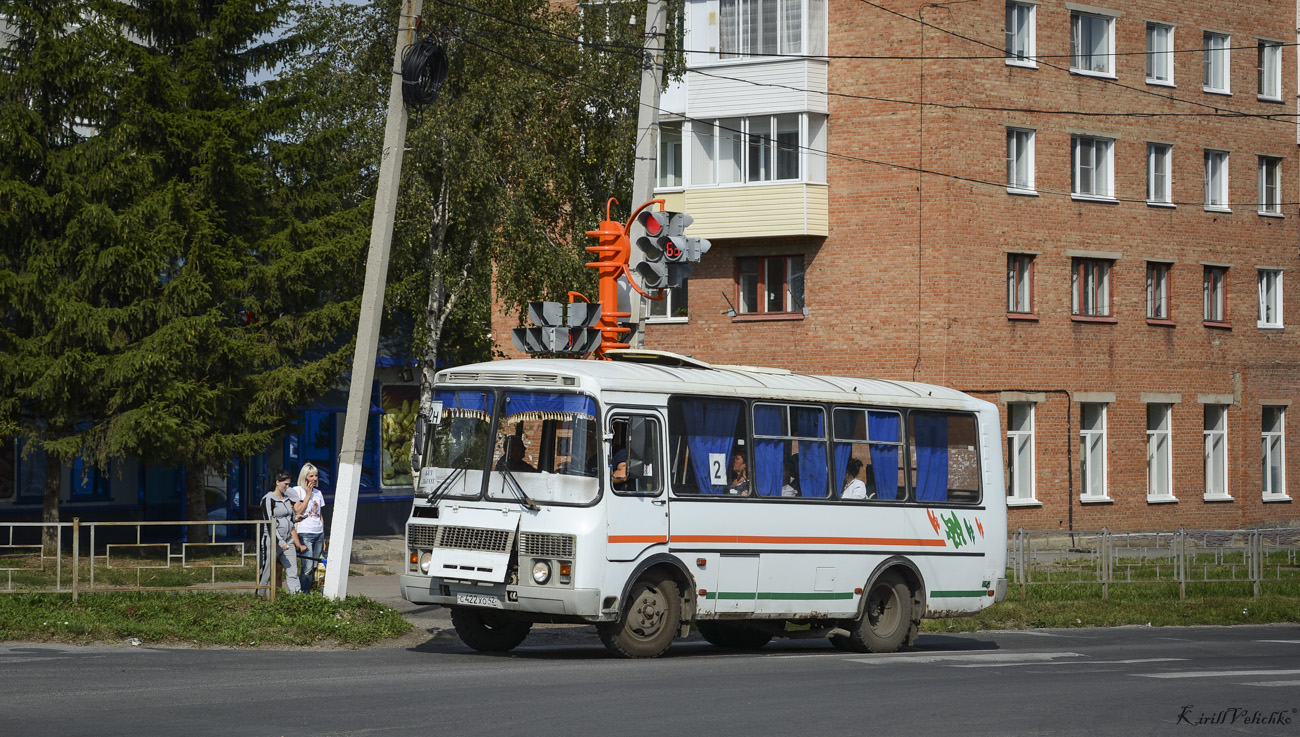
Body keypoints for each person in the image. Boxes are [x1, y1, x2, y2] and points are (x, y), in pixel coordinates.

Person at [258, 471, 301, 595]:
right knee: (267, 570)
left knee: (293, 570)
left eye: (288, 484)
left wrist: (296, 518)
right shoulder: (268, 499)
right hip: (272, 541)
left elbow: (289, 517)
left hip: (288, 540)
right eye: (285, 484)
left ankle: (297, 596)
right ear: (277, 482)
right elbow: (269, 522)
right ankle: (260, 595)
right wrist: (279, 541)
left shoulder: (287, 499)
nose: (287, 487)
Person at [292, 463, 327, 593]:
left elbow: (320, 516)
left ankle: (312, 591)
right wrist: (307, 494)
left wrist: (323, 537)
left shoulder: (319, 493)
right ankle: (303, 594)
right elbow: (298, 511)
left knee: (314, 566)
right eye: (311, 476)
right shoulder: (297, 490)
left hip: (318, 533)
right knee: (306, 567)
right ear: (304, 477)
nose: (314, 478)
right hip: (305, 533)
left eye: (316, 475)